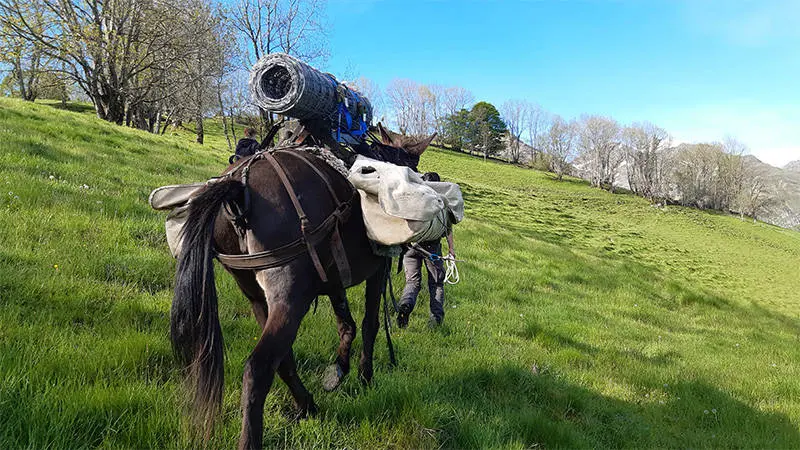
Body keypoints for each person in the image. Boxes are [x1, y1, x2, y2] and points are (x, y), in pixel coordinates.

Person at [397, 172, 456, 328]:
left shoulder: (415, 200)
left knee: (412, 282)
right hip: (432, 249)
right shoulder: (440, 202)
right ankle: (436, 320)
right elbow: (448, 228)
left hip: (410, 247)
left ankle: (405, 306)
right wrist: (451, 249)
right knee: (436, 284)